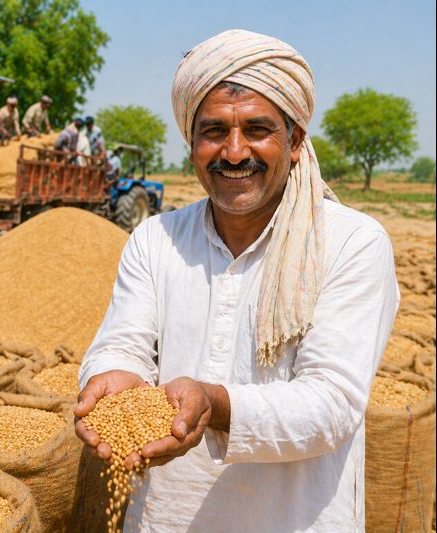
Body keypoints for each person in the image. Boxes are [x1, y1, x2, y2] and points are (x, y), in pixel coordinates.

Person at [75, 29, 399, 532]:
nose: (232, 152)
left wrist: (215, 403)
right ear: (191, 143)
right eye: (213, 131)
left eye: (257, 129)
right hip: (165, 518)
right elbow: (122, 344)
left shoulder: (352, 243)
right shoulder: (155, 238)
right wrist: (111, 378)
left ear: (294, 142)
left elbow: (332, 404)